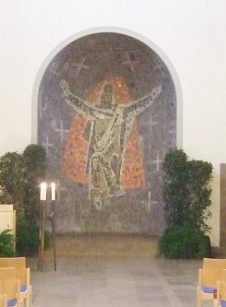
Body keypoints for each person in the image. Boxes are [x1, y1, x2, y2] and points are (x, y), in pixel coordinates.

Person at [60, 78, 161, 210]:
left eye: (109, 93)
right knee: (95, 158)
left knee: (96, 158)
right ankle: (101, 193)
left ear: (112, 96)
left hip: (113, 151)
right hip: (99, 150)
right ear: (101, 95)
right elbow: (81, 107)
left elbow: (136, 107)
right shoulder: (96, 112)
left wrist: (151, 97)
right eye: (105, 93)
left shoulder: (119, 113)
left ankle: (106, 190)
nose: (107, 96)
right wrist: (67, 94)